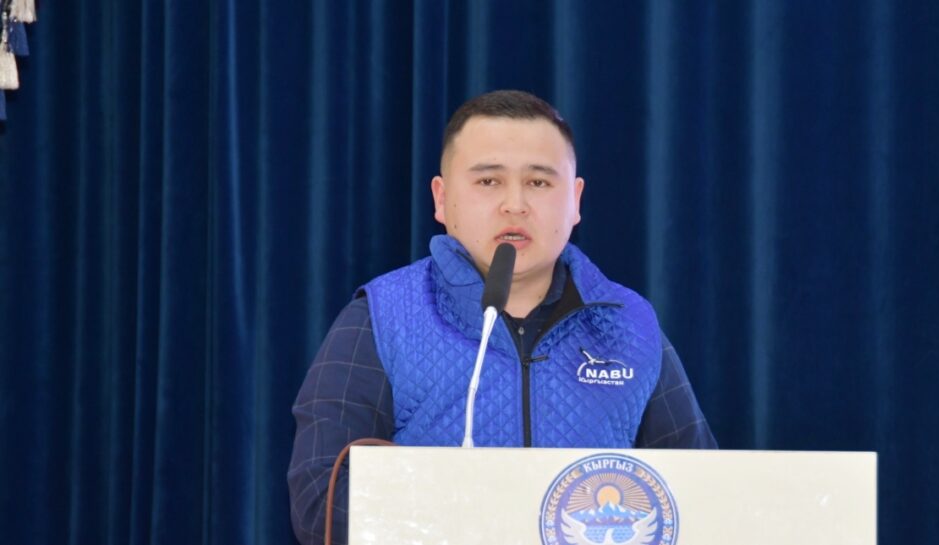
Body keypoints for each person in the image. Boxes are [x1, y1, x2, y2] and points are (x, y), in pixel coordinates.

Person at [287, 90, 716, 545]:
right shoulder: (380, 316)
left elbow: (704, 494)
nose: (515, 204)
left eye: (539, 183)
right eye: (489, 181)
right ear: (442, 198)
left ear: (575, 200)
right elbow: (321, 499)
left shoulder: (629, 324)